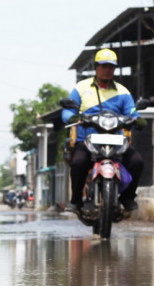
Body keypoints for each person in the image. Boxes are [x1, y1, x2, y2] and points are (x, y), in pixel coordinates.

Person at [61, 48, 147, 213]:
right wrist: (71, 118)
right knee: (78, 162)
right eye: (104, 66)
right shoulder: (81, 88)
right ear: (96, 67)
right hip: (87, 140)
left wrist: (138, 119)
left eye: (111, 67)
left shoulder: (122, 91)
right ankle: (76, 199)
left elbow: (132, 112)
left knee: (137, 162)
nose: (108, 70)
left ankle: (128, 197)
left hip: (116, 139)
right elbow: (68, 110)